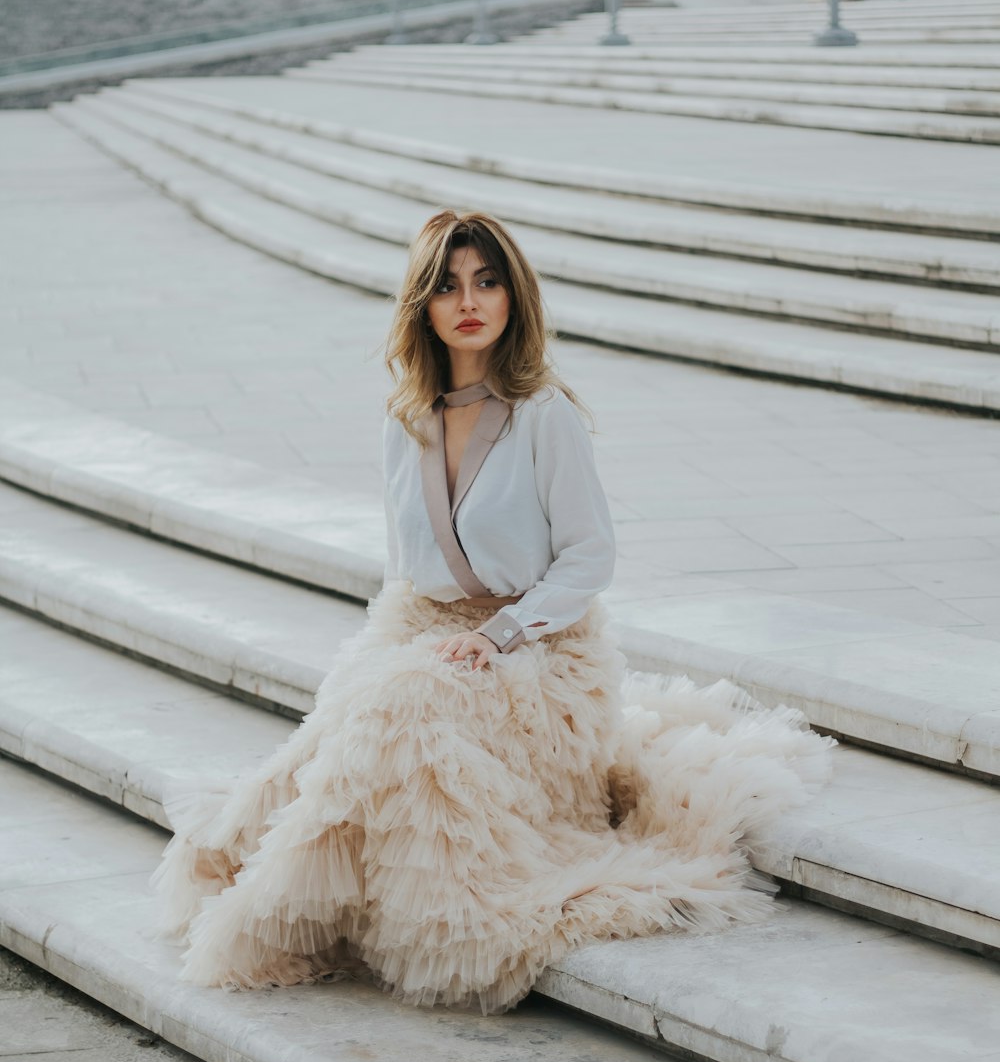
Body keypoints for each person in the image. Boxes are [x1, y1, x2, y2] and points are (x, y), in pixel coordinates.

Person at [153, 210, 831, 1015]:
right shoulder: (404, 419)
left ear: (514, 296)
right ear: (422, 306)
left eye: (486, 281)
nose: (468, 301)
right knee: (367, 710)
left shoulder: (546, 413)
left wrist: (500, 634)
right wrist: (410, 644)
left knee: (405, 702)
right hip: (426, 629)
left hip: (542, 650)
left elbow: (590, 559)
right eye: (446, 286)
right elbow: (407, 567)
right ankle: (278, 884)